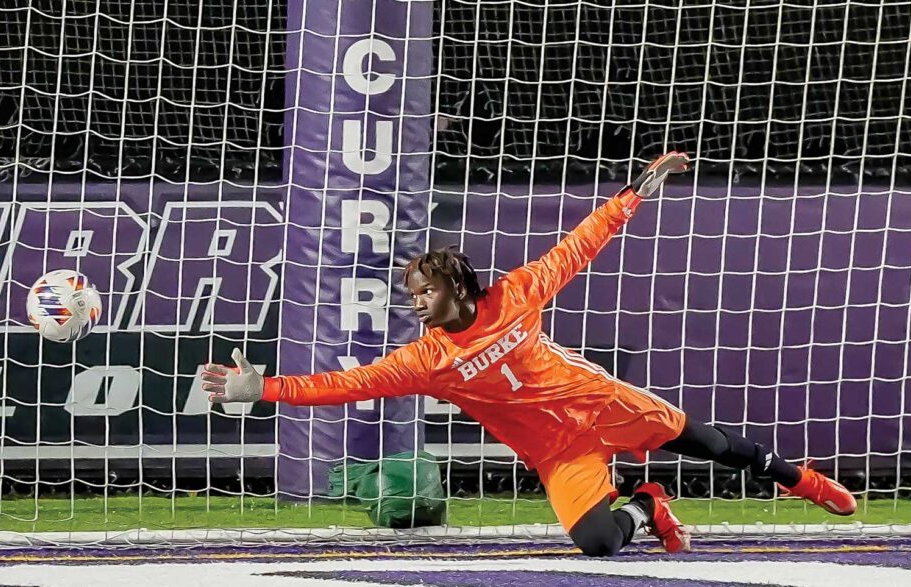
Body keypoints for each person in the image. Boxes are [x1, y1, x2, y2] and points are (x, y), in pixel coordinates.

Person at [202, 152, 857, 556]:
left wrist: (634, 193)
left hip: (603, 403)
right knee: (598, 544)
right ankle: (646, 505)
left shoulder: (516, 292)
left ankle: (802, 479)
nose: (417, 302)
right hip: (559, 452)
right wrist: (262, 389)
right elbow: (349, 384)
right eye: (412, 294)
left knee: (711, 442)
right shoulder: (426, 359)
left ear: (457, 285)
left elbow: (578, 244)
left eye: (425, 290)